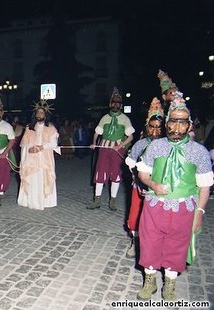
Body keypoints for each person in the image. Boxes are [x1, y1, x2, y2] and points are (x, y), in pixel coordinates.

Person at [135, 91, 213, 301]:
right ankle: (149, 282)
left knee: (177, 246)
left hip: (183, 208)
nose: (176, 128)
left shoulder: (199, 152)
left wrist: (199, 213)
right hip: (154, 206)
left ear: (189, 126)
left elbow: (205, 187)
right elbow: (142, 172)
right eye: (173, 123)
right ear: (167, 123)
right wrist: (153, 183)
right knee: (150, 242)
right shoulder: (155, 147)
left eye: (182, 123)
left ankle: (169, 285)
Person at [124, 98, 164, 258]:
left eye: (158, 128)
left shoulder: (167, 146)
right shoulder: (140, 145)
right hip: (140, 188)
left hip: (159, 190)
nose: (154, 132)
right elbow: (131, 163)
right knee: (135, 215)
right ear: (147, 127)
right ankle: (135, 242)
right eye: (151, 127)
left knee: (157, 221)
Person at [88, 87, 135, 210]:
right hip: (104, 148)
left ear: (121, 105)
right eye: (113, 102)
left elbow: (131, 136)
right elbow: (96, 133)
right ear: (110, 104)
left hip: (117, 150)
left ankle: (112, 201)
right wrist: (93, 143)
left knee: (115, 174)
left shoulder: (125, 119)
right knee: (100, 172)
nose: (115, 105)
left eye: (118, 103)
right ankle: (97, 200)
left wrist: (120, 146)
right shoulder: (105, 118)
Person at [18, 100, 60, 209]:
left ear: (45, 115)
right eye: (38, 113)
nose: (39, 115)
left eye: (42, 113)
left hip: (45, 160)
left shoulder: (51, 128)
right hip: (31, 161)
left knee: (44, 179)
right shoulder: (29, 128)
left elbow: (53, 144)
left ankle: (45, 202)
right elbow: (23, 144)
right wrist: (29, 149)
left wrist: (41, 147)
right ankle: (30, 201)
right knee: (32, 179)